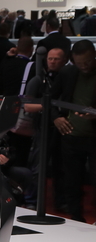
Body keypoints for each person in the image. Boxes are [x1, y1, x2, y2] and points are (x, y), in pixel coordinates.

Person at [51, 40, 96, 222]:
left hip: (93, 136)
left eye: (88, 62)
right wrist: (56, 117)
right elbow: (49, 99)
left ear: (94, 55)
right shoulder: (67, 73)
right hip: (70, 135)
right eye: (79, 63)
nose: (84, 66)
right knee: (72, 180)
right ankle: (76, 218)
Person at [24, 46, 68, 210]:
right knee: (38, 167)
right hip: (42, 129)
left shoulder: (67, 78)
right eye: (50, 58)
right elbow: (27, 106)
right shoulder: (38, 80)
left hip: (62, 129)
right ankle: (32, 200)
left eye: (56, 59)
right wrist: (49, 106)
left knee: (61, 167)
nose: (52, 62)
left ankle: (60, 201)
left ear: (64, 61)